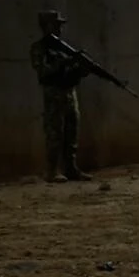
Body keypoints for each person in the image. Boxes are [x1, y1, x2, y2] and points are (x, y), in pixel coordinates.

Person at [29, 10, 91, 182]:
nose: (59, 29)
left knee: (72, 132)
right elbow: (43, 72)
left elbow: (71, 73)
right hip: (53, 95)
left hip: (69, 94)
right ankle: (52, 170)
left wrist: (81, 69)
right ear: (47, 26)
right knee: (54, 133)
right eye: (56, 25)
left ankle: (71, 168)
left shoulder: (63, 48)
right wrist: (63, 62)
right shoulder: (39, 48)